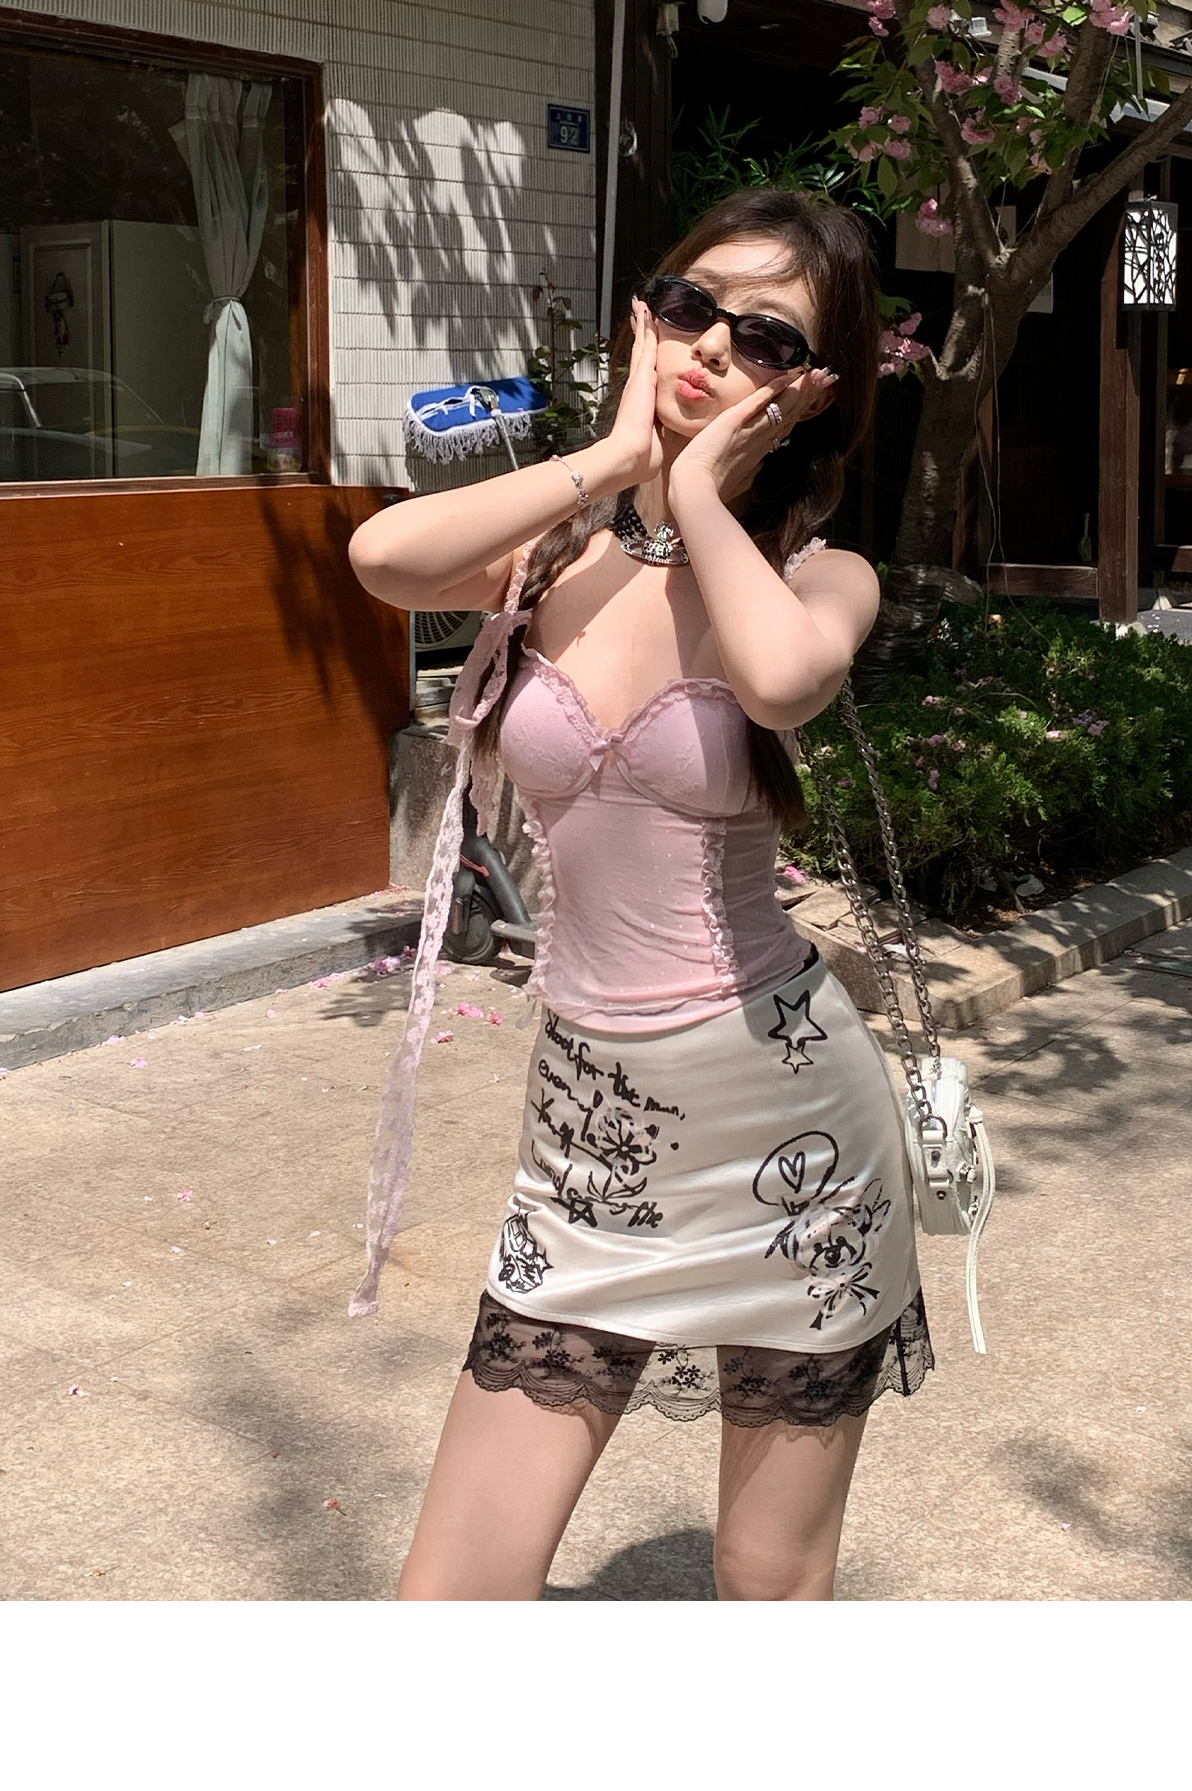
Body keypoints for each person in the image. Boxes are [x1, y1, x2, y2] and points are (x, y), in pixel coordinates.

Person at [348, 187, 931, 1601]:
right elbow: (382, 559)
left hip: (790, 1131)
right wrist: (616, 458)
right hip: (588, 1130)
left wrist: (696, 496)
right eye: (689, 305)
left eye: (765, 336)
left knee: (766, 1587)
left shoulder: (817, 576)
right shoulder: (552, 554)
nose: (712, 345)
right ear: (644, 316)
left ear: (813, 388)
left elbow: (781, 679)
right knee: (449, 1597)